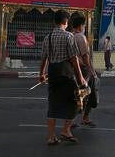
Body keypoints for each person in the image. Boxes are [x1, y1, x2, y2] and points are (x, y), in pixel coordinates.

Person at [40, 10, 87, 146]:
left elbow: (44, 59)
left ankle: (51, 137)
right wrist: (80, 78)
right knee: (77, 101)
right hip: (66, 74)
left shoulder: (47, 37)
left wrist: (41, 74)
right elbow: (74, 59)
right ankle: (66, 130)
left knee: (53, 105)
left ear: (55, 21)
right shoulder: (68, 36)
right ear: (66, 22)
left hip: (53, 74)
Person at [70, 14, 98, 128]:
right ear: (81, 26)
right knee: (87, 93)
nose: (85, 27)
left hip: (74, 69)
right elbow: (85, 56)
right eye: (84, 25)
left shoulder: (70, 36)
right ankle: (83, 117)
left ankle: (72, 119)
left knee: (78, 93)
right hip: (83, 69)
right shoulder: (81, 37)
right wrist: (91, 71)